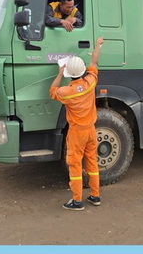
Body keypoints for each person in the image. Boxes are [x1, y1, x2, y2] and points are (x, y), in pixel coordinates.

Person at [49, 37, 103, 211]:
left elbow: (52, 92)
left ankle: (77, 200)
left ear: (69, 74)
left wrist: (59, 73)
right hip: (91, 130)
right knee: (92, 162)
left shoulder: (66, 92)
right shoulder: (90, 82)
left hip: (77, 133)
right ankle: (95, 195)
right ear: (83, 71)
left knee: (75, 164)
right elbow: (94, 61)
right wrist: (97, 45)